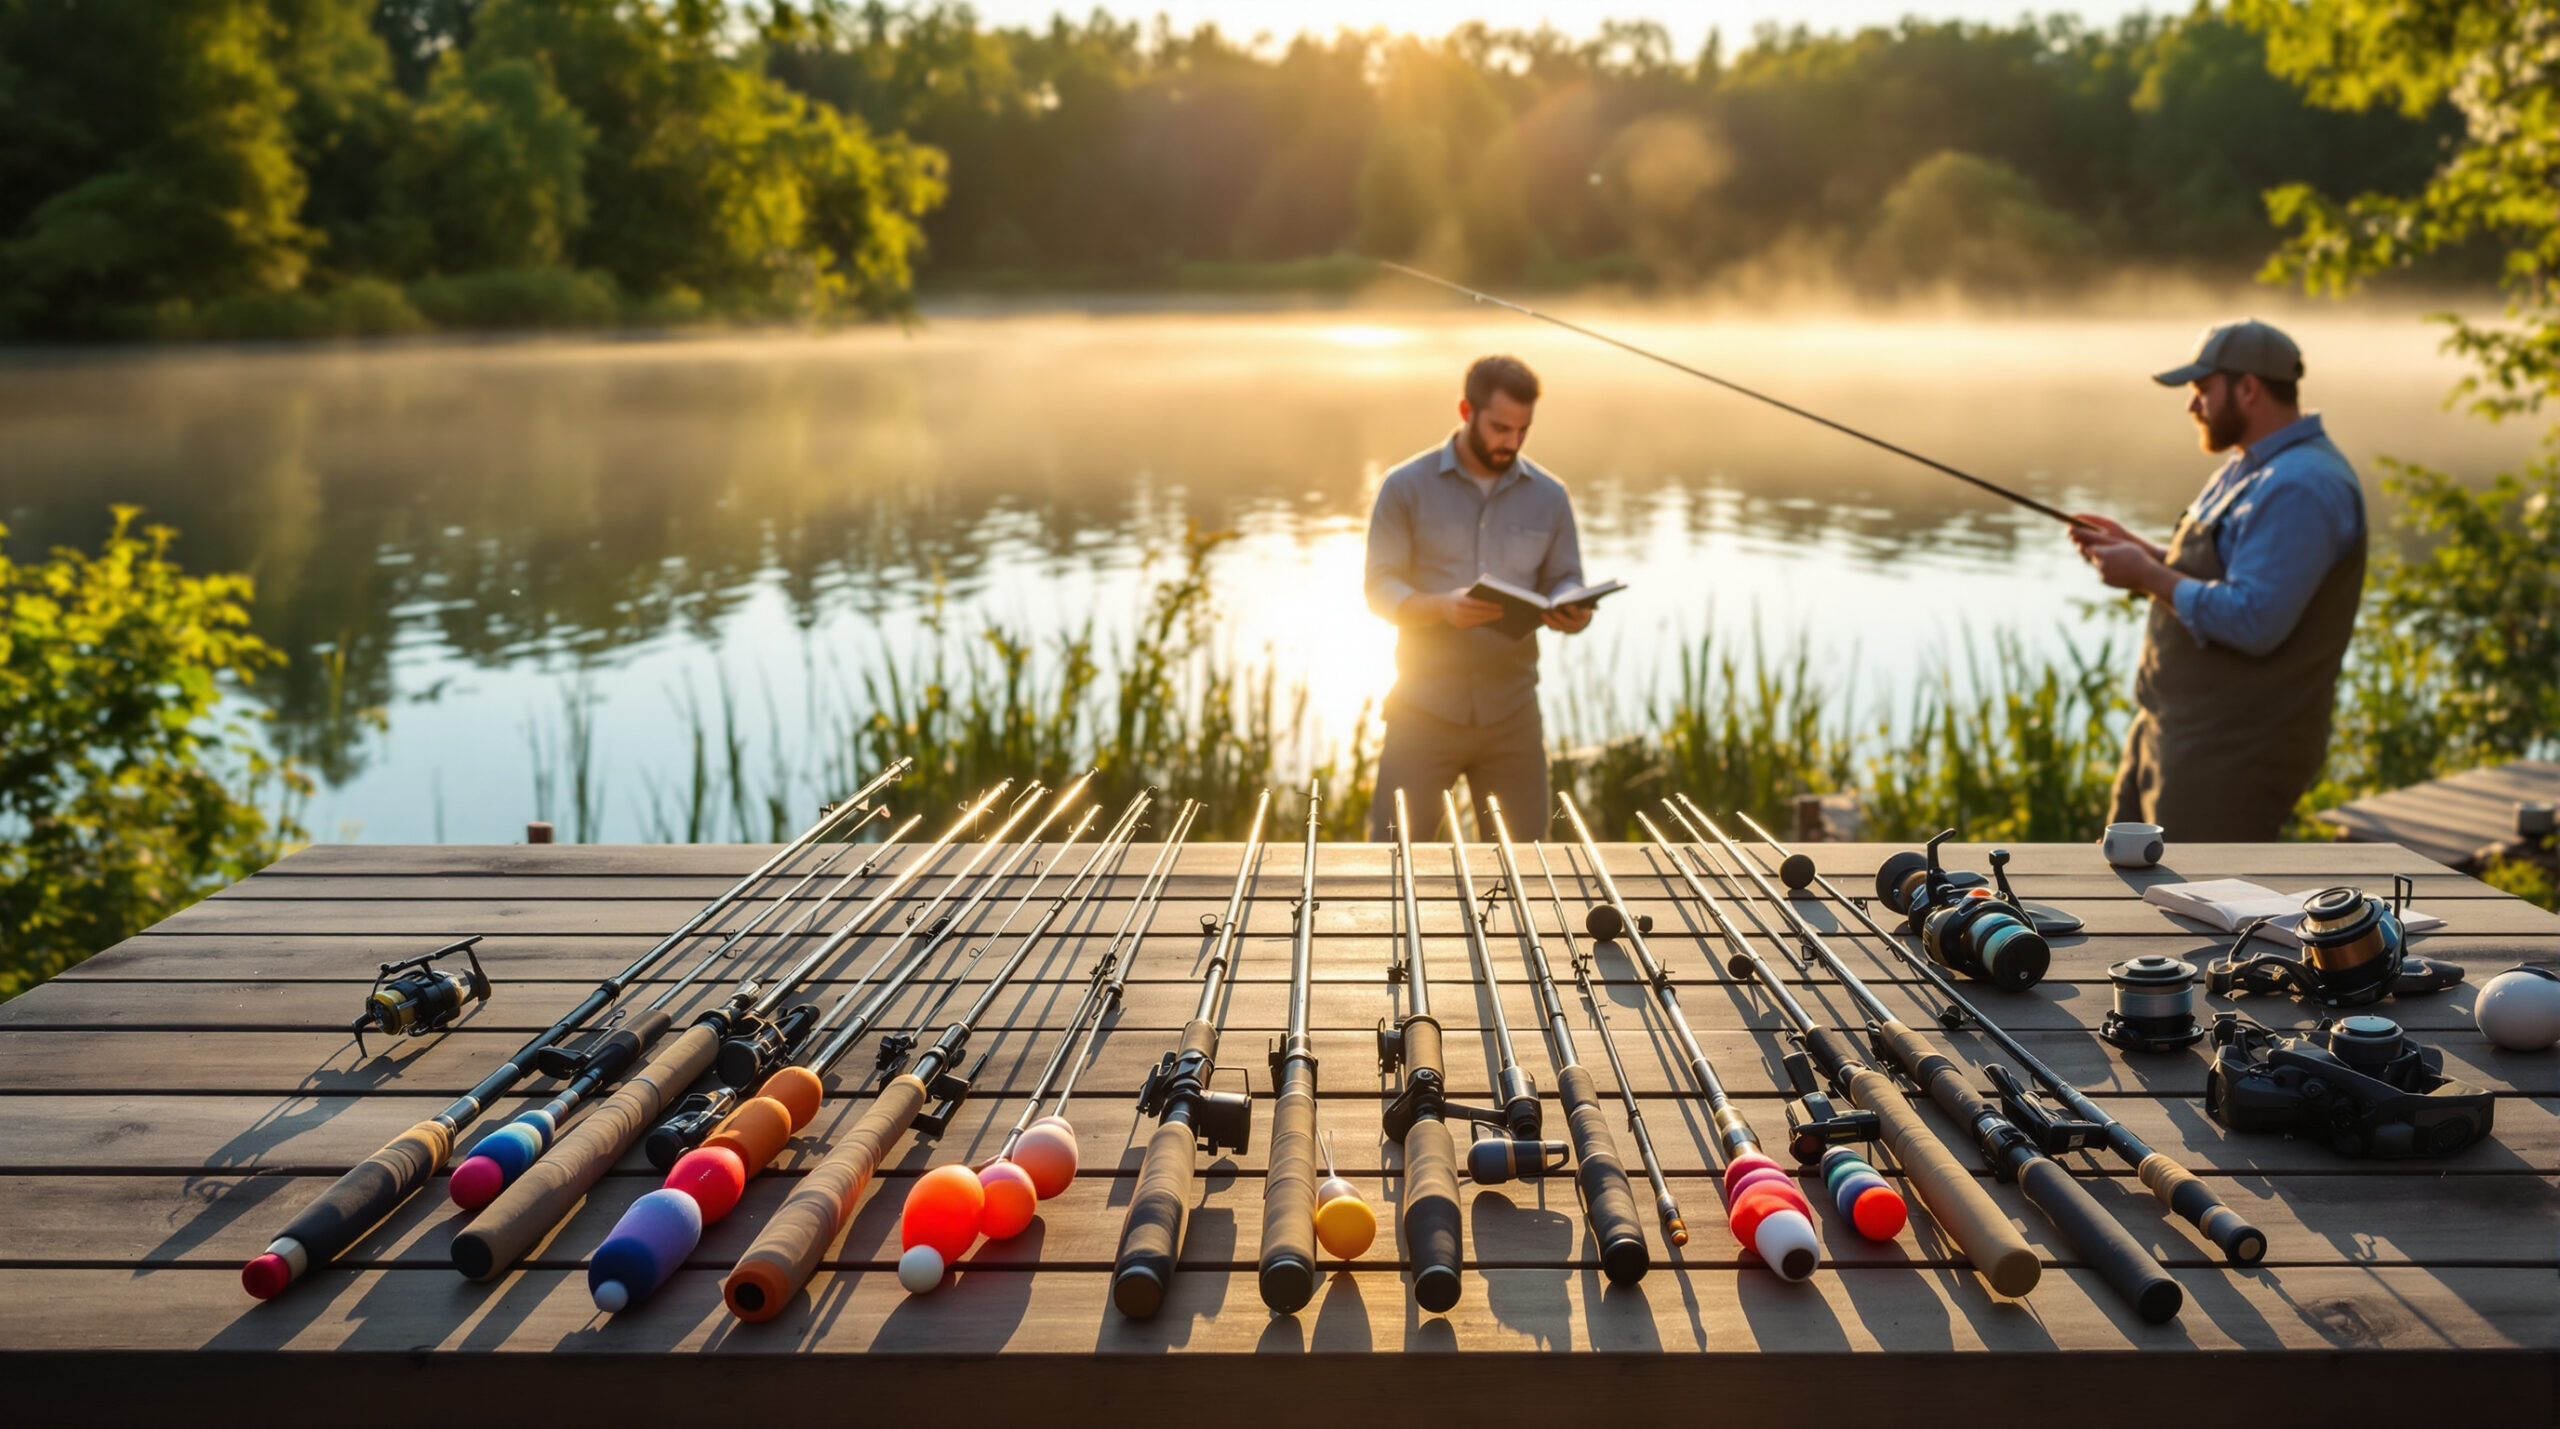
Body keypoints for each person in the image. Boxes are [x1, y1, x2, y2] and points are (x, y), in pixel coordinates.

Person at [2071, 319, 2365, 841]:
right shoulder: (2251, 467)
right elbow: (2219, 573)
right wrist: (2137, 550)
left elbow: (2255, 619)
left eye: (2202, 389)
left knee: (2192, 894)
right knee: (2119, 877)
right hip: (2170, 735)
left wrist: (2147, 575)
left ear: (2248, 388)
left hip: (2230, 759)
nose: (2192, 405)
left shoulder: (2302, 487)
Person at [1363, 354, 1593, 842]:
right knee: (1392, 858)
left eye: (1522, 430)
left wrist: (1571, 604)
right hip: (1421, 711)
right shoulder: (1404, 486)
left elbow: (1565, 576)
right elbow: (1379, 589)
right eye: (1500, 428)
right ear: (1467, 411)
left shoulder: (1550, 496)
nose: (1511, 442)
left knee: (1527, 867)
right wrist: (1442, 607)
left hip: (1513, 715)